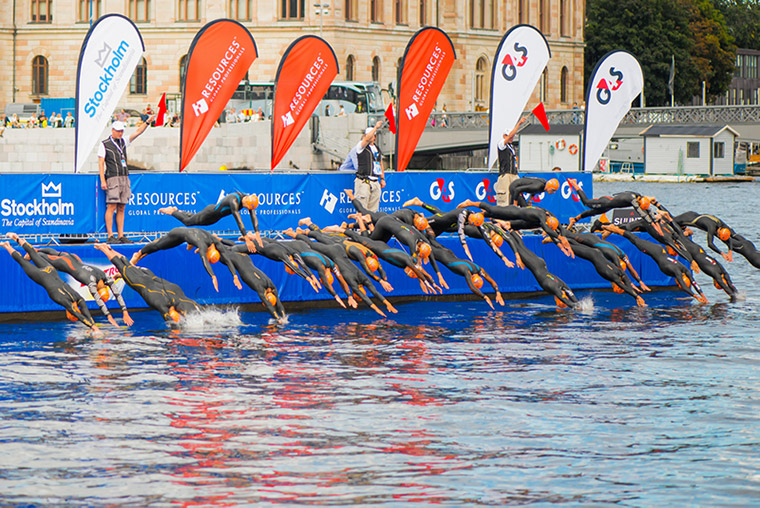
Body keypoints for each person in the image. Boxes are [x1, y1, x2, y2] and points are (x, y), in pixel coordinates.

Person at [2, 234, 99, 333]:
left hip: (50, 270)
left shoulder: (77, 297)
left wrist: (93, 325)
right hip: (40, 276)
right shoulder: (64, 301)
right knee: (22, 261)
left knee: (33, 253)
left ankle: (17, 238)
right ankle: (7, 246)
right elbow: (77, 314)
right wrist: (92, 327)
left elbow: (84, 309)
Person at [94, 243, 200, 323]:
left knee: (126, 264)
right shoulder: (164, 303)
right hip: (141, 280)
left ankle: (109, 250)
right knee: (121, 265)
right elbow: (168, 318)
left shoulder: (168, 300)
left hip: (147, 278)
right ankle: (104, 248)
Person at [602, 224, 708, 304]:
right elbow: (686, 287)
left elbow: (694, 283)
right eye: (679, 282)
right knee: (634, 239)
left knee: (647, 236)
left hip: (660, 250)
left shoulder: (684, 269)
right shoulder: (678, 272)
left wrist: (702, 295)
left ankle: (655, 224)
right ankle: (613, 228)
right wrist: (696, 297)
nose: (677, 281)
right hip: (653, 251)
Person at [37, 247, 133, 327]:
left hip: (74, 259)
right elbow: (100, 301)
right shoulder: (91, 283)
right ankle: (31, 251)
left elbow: (117, 294)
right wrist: (109, 317)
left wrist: (125, 311)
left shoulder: (105, 277)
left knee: (57, 253)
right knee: (42, 256)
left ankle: (37, 249)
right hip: (65, 263)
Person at [130, 227, 242, 293]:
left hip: (191, 234)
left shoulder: (215, 241)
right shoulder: (203, 245)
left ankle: (190, 244)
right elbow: (204, 261)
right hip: (178, 234)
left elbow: (227, 259)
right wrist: (213, 276)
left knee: (161, 245)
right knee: (159, 245)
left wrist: (235, 276)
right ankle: (138, 253)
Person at [98, 118, 153, 244]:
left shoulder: (123, 141)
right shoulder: (104, 144)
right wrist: (103, 180)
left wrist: (147, 122)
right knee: (111, 206)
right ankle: (110, 235)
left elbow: (138, 132)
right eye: (118, 131)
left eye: (122, 131)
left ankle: (121, 235)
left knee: (122, 206)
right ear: (112, 130)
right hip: (112, 177)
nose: (120, 133)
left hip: (124, 177)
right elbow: (101, 163)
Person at [158, 191, 262, 253]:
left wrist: (257, 234)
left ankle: (179, 211)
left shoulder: (248, 200)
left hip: (214, 218)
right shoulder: (234, 201)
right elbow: (238, 220)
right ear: (245, 200)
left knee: (194, 218)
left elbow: (253, 216)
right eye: (245, 205)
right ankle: (172, 211)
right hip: (209, 213)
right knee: (188, 222)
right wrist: (247, 240)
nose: (245, 207)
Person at [352, 120, 385, 212]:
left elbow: (380, 163)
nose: (370, 136)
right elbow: (366, 139)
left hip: (375, 181)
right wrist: (376, 127)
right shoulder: (361, 146)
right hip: (364, 181)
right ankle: (360, 226)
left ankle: (370, 226)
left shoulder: (377, 148)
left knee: (373, 210)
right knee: (362, 209)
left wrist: (382, 178)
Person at [495, 116, 527, 205]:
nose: (512, 138)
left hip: (514, 173)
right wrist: (519, 123)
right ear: (504, 136)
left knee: (518, 193)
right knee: (504, 197)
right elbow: (510, 135)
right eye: (509, 136)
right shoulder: (501, 144)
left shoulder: (512, 147)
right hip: (506, 174)